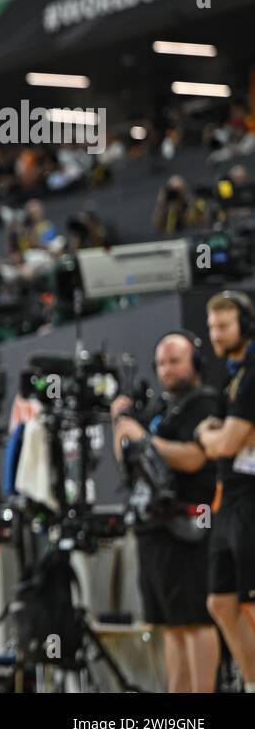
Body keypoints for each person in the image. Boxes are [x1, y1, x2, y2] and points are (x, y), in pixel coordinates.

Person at [110, 332, 222, 692]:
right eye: (161, 363)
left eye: (175, 360)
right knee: (171, 625)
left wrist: (144, 438)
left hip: (190, 524)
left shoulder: (204, 403)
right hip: (152, 526)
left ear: (195, 362)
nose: (167, 369)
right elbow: (127, 460)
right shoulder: (159, 409)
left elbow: (193, 458)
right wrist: (121, 424)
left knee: (196, 620)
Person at [197, 291, 255, 692]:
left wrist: (209, 435)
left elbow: (227, 443)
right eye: (212, 327)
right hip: (227, 498)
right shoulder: (232, 376)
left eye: (224, 326)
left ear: (246, 325)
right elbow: (218, 435)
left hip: (251, 495)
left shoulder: (253, 373)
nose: (216, 335)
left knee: (251, 602)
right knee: (220, 602)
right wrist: (211, 434)